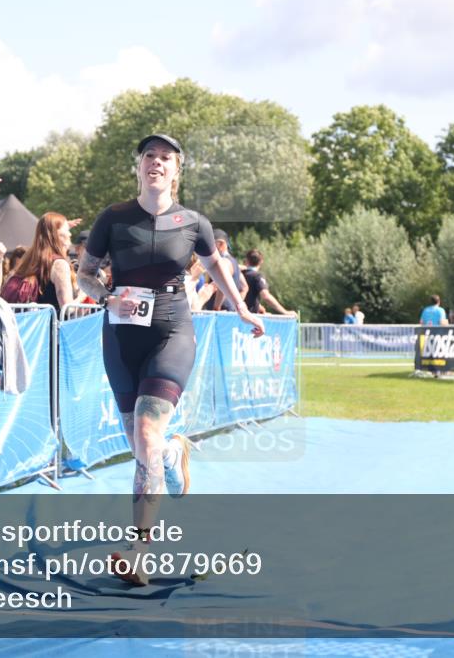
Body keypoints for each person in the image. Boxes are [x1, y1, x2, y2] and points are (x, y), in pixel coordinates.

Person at [76, 133, 264, 585]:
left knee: (145, 431)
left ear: (176, 171)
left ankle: (140, 549)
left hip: (173, 330)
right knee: (142, 444)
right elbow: (84, 275)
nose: (156, 163)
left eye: (165, 158)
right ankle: (174, 456)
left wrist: (240, 307)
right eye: (149, 157)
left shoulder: (193, 222)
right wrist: (106, 297)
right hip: (121, 335)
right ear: (138, 168)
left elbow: (217, 265)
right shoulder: (114, 218)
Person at [4, 212, 80, 310]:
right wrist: (83, 295)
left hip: (28, 323)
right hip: (50, 324)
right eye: (66, 230)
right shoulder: (59, 264)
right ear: (56, 234)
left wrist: (54, 225)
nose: (70, 233)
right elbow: (68, 308)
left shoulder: (30, 259)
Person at [242, 249, 295, 316]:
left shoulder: (239, 275)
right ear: (261, 262)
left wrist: (258, 306)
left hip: (234, 315)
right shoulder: (257, 276)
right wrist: (285, 312)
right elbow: (266, 296)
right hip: (249, 317)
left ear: (246, 260)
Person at [204, 229, 247, 311]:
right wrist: (237, 306)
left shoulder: (224, 262)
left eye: (210, 244)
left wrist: (217, 307)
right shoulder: (234, 262)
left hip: (220, 312)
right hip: (228, 311)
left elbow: (222, 283)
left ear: (220, 244)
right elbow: (244, 287)